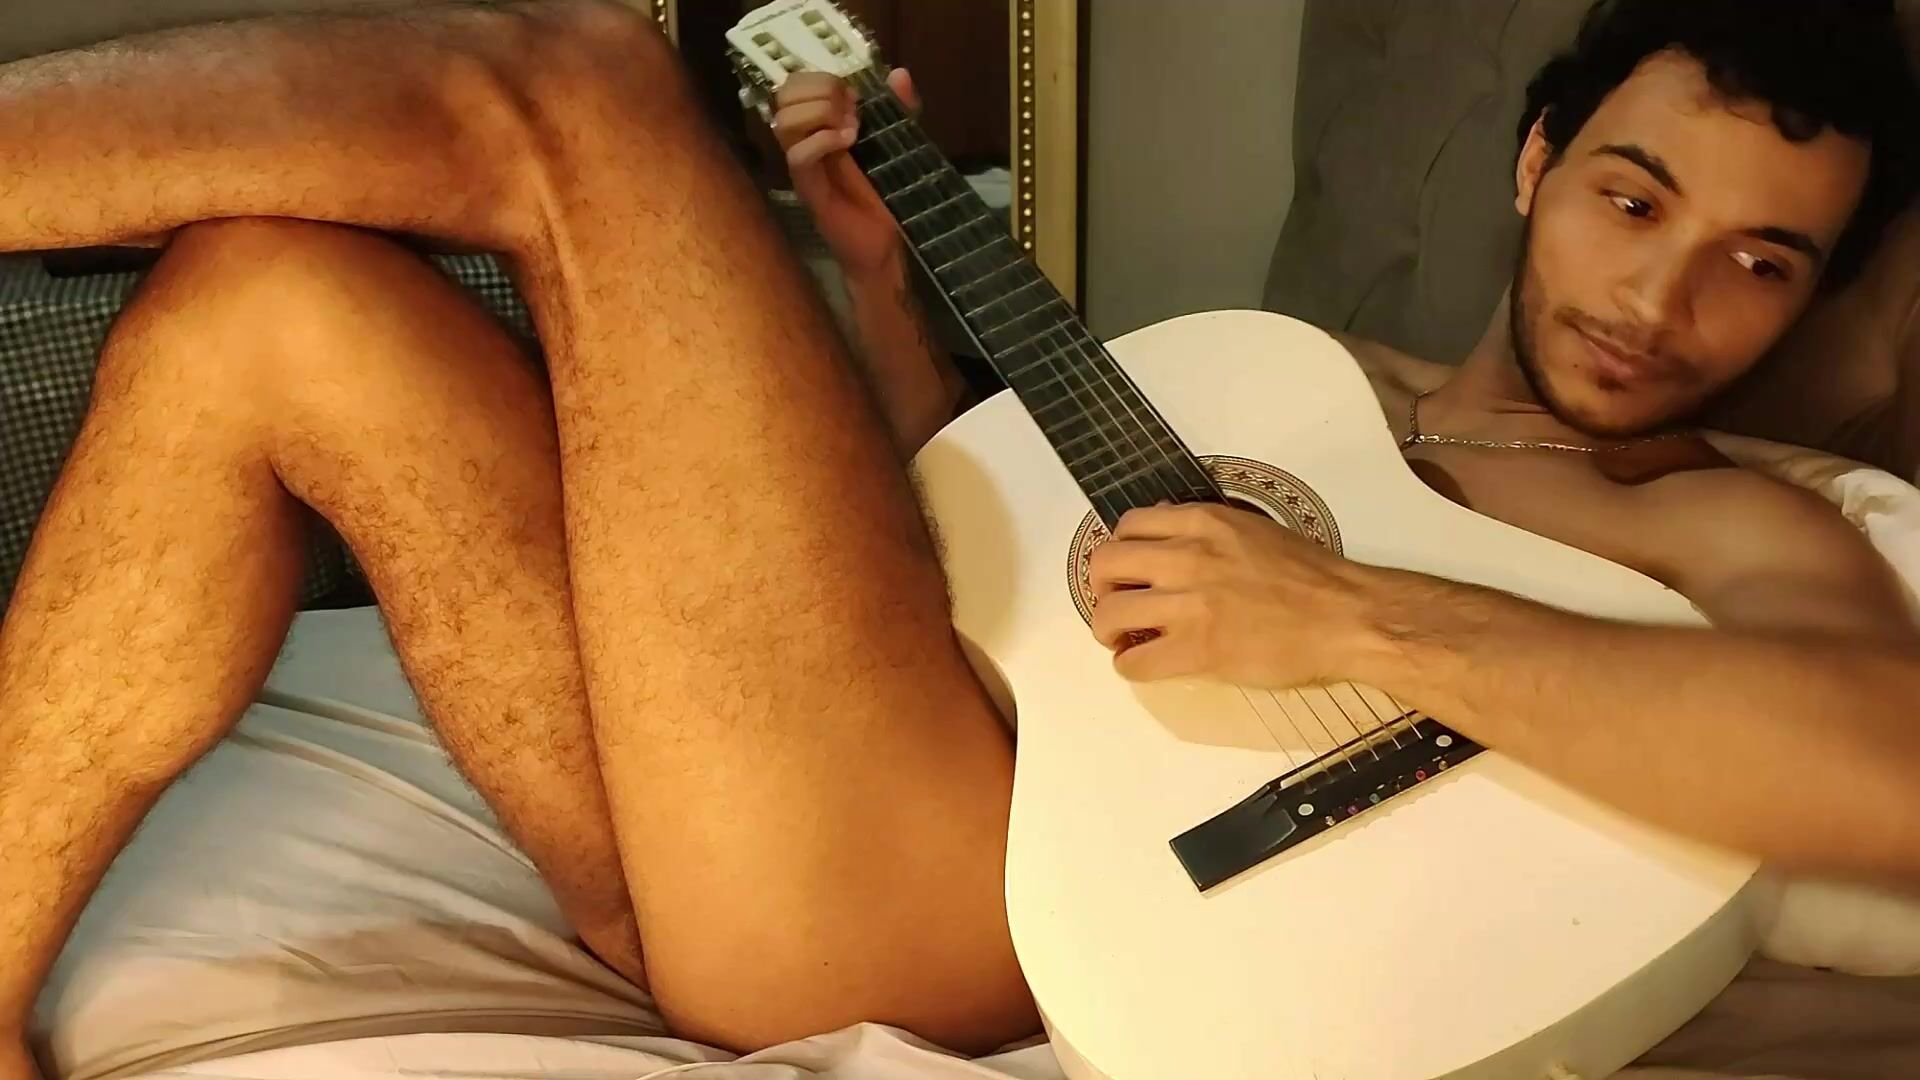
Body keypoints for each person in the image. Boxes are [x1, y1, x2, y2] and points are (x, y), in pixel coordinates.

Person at [0, 0, 1916, 1077]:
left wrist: (1353, 614)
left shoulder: (1722, 514)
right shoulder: (1304, 372)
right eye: (1632, 202)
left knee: (580, 81)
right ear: (1535, 163)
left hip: (976, 919)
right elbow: (993, 557)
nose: (1660, 301)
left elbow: (1886, 768)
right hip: (796, 807)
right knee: (271, 308)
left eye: (1761, 263)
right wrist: (882, 287)